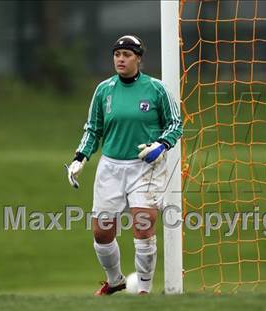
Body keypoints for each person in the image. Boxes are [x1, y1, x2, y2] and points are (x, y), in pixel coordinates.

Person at [66, 35, 182, 295]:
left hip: (145, 167)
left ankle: (143, 290)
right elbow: (93, 129)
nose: (121, 59)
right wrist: (80, 157)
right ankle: (115, 280)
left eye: (127, 54)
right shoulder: (104, 90)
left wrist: (161, 145)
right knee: (101, 232)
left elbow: (175, 123)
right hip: (110, 166)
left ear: (138, 59)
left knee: (143, 224)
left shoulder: (156, 89)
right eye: (117, 54)